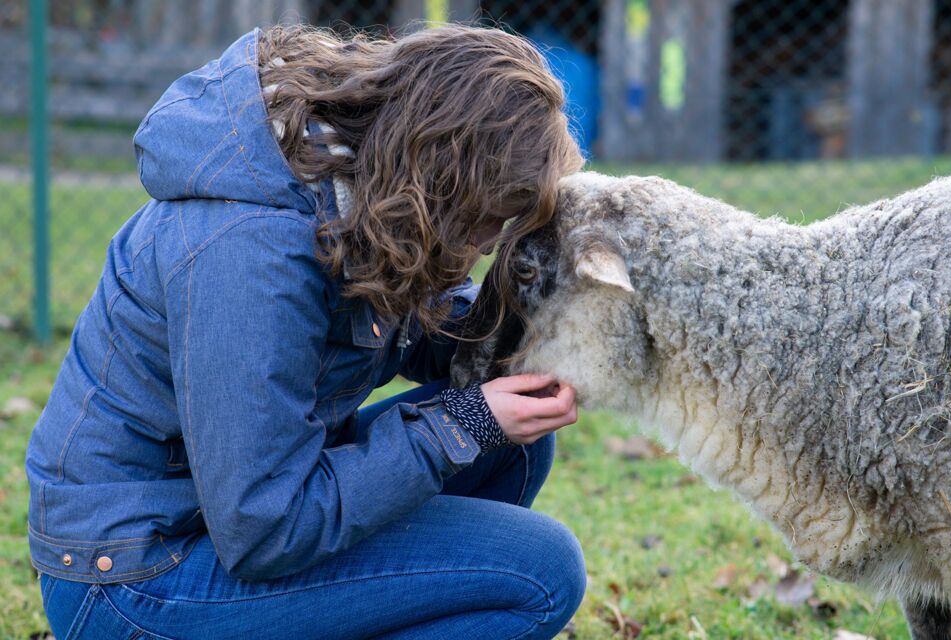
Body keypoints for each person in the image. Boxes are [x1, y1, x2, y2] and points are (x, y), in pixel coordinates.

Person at [25, 23, 585, 639]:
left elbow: (424, 326)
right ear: (442, 186)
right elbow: (265, 527)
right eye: (486, 223)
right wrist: (459, 425)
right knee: (540, 571)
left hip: (226, 515)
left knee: (516, 438)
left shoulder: (358, 191)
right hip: (138, 575)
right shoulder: (249, 254)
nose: (483, 249)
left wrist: (547, 339)